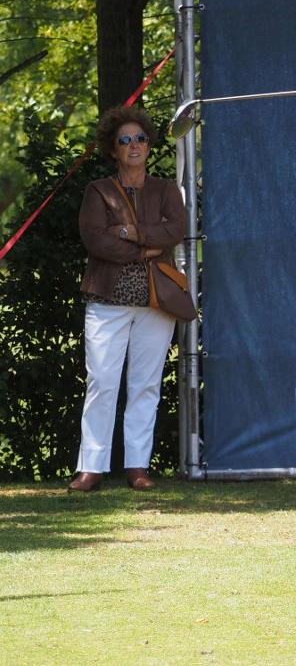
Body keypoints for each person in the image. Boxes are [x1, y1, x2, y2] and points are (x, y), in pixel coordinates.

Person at [69, 105, 188, 492]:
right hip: (107, 300)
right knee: (102, 382)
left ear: (149, 146)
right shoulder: (98, 191)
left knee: (146, 384)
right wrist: (144, 246)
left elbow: (176, 231)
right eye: (125, 140)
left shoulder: (167, 190)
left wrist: (129, 232)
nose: (134, 145)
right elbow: (96, 240)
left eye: (140, 138)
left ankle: (137, 466)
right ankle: (92, 467)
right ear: (113, 149)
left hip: (157, 302)